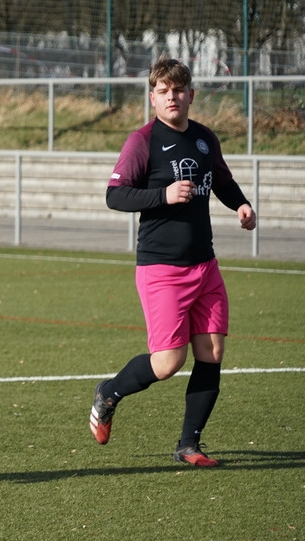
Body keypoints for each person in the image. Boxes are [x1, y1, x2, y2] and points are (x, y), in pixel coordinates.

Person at [90, 56, 256, 467]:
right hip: (161, 268)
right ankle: (108, 392)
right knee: (168, 362)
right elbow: (115, 195)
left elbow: (221, 180)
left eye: (178, 90)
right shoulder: (142, 141)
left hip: (205, 265)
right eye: (163, 91)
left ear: (191, 95)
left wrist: (241, 204)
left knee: (212, 351)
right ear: (152, 98)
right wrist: (162, 196)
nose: (172, 97)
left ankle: (189, 445)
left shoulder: (204, 138)